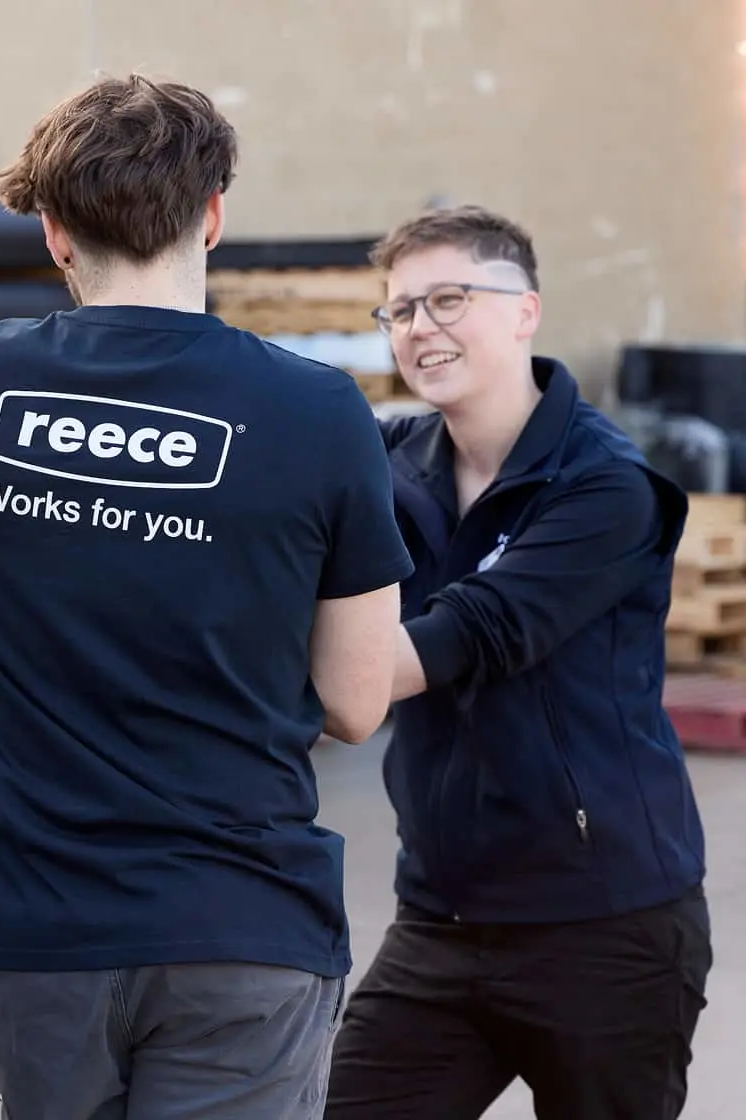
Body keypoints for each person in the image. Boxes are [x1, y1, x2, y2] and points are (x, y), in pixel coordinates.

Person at [0, 73, 413, 1120]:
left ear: (52, 235)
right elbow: (356, 701)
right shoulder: (318, 412)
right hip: (243, 922)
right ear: (212, 216)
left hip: (47, 934)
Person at [323, 204, 713, 1120]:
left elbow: (479, 630)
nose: (423, 327)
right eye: (402, 310)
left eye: (450, 298)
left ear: (526, 310)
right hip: (442, 919)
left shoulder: (608, 486)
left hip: (607, 926)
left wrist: (292, 689)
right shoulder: (389, 461)